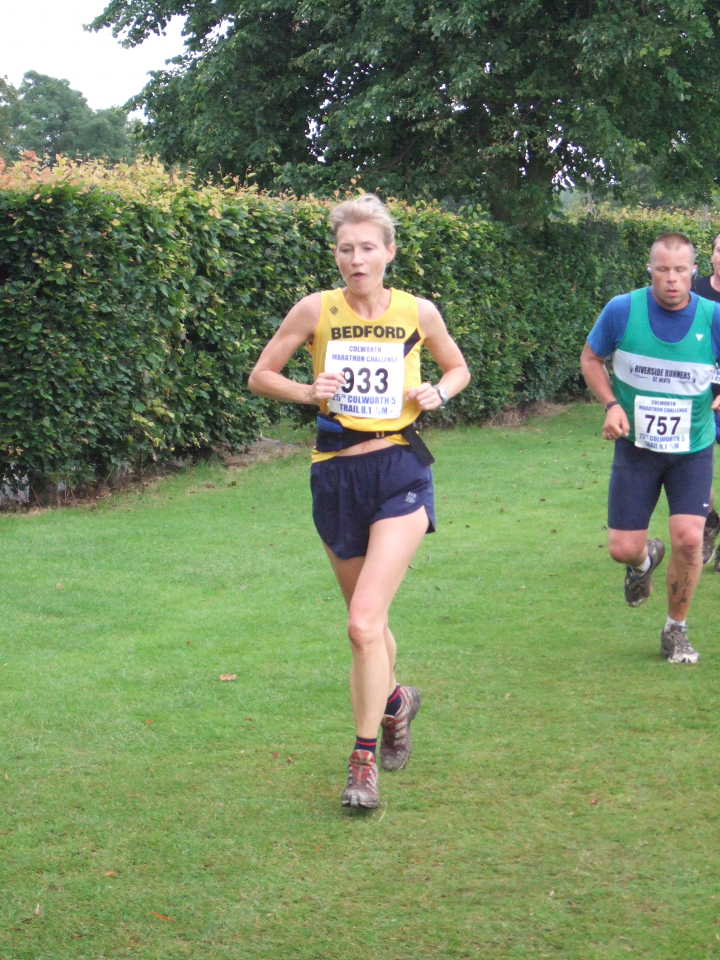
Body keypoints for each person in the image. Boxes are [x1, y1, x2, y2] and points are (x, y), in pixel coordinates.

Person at [248, 194, 471, 808]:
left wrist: (439, 391)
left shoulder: (417, 311)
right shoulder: (315, 309)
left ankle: (363, 761)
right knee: (369, 628)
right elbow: (261, 375)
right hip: (335, 474)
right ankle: (397, 700)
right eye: (346, 249)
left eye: (368, 247)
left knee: (362, 623)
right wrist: (306, 390)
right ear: (337, 255)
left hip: (400, 469)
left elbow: (457, 368)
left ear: (389, 252)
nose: (356, 258)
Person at [580, 231, 720, 664]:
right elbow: (591, 358)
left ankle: (676, 629)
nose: (672, 279)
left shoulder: (713, 317)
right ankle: (643, 562)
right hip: (637, 447)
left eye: (680, 270)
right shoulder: (622, 310)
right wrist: (611, 405)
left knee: (690, 538)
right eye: (663, 270)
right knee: (622, 548)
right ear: (650, 270)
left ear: (693, 271)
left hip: (692, 448)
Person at [692, 233, 720, 566]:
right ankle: (709, 523)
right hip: (696, 399)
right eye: (719, 250)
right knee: (696, 476)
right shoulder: (694, 291)